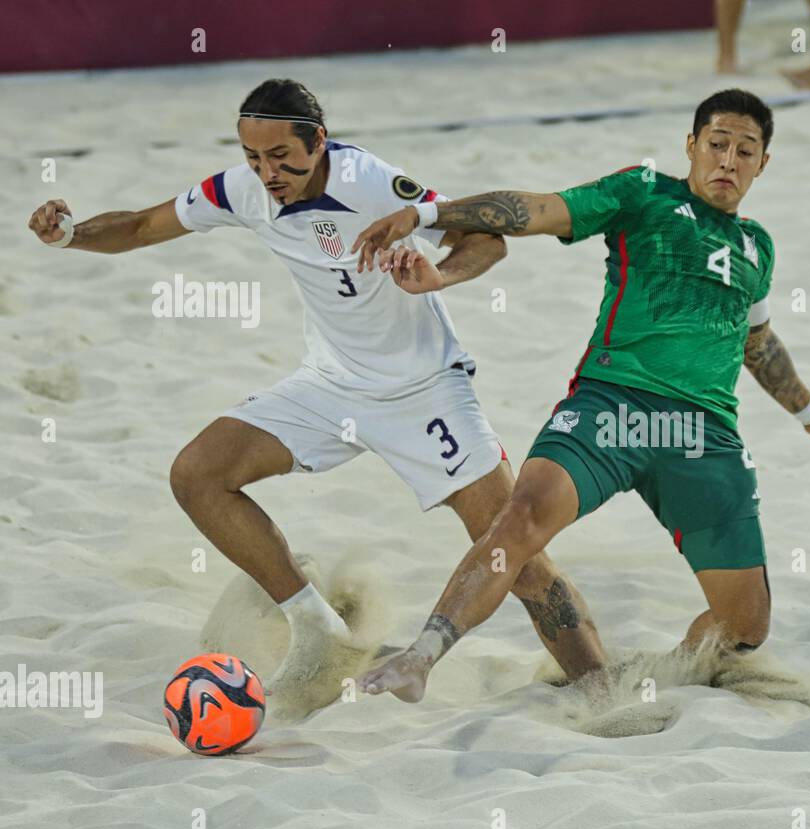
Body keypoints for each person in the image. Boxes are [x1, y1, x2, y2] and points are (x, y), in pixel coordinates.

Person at [26, 78, 607, 719]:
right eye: (253, 157)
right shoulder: (239, 189)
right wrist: (70, 235)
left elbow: (484, 239)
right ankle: (319, 631)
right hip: (329, 383)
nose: (268, 173)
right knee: (199, 474)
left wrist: (438, 275)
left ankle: (600, 693)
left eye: (281, 156)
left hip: (425, 390)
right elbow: (137, 227)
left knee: (514, 556)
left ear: (319, 141)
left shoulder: (371, 183)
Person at [349, 89, 810, 704]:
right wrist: (430, 216)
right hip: (611, 407)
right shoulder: (644, 192)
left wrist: (809, 413)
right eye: (717, 144)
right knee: (519, 520)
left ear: (762, 164)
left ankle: (658, 680)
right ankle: (420, 657)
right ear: (692, 146)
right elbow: (538, 209)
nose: (729, 160)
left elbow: (757, 341)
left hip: (703, 436)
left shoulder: (758, 246)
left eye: (745, 151)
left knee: (746, 625)